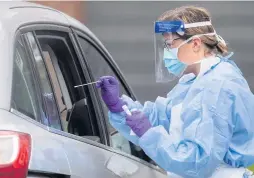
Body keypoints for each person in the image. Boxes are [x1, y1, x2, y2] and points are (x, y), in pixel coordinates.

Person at [96, 6, 254, 178]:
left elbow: (197, 162)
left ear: (195, 43)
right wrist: (120, 107)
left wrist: (149, 133)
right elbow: (162, 119)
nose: (167, 51)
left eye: (171, 44)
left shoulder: (217, 86)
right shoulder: (195, 80)